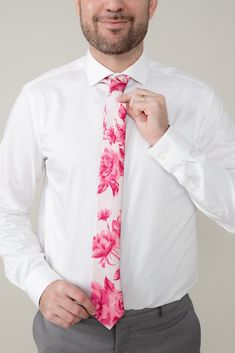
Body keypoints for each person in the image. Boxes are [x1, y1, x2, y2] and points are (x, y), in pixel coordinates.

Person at [0, 0, 234, 352]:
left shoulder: (198, 100)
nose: (113, 5)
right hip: (69, 330)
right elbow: (5, 208)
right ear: (78, 5)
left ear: (152, 5)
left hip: (167, 333)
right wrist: (39, 283)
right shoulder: (40, 98)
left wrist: (168, 141)